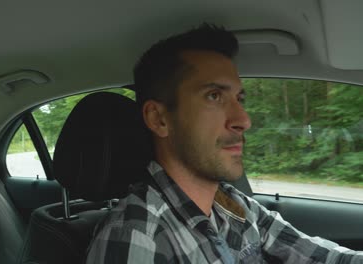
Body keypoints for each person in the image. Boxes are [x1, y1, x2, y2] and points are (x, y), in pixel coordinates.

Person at [86, 24, 363, 263]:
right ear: (159, 119)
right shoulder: (138, 236)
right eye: (214, 96)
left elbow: (318, 256)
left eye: (239, 99)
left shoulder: (233, 204)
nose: (243, 120)